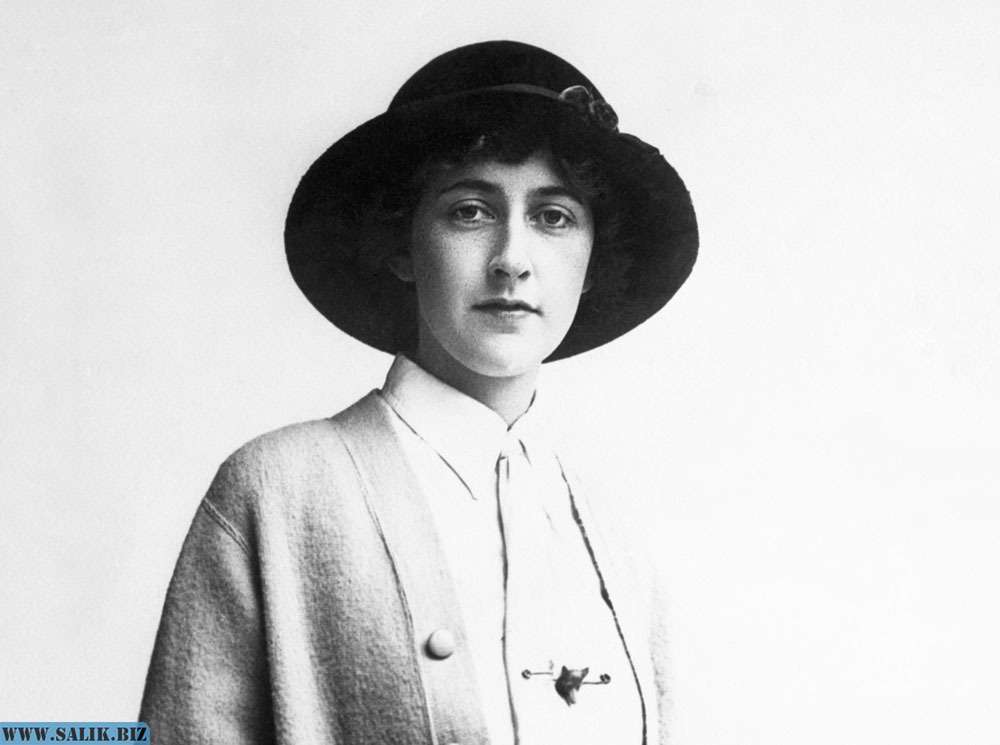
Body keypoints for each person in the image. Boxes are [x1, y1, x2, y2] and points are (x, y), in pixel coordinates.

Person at [140, 40, 698, 745]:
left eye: (554, 217)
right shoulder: (278, 490)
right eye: (470, 212)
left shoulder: (611, 531)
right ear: (402, 245)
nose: (512, 260)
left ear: (592, 262)